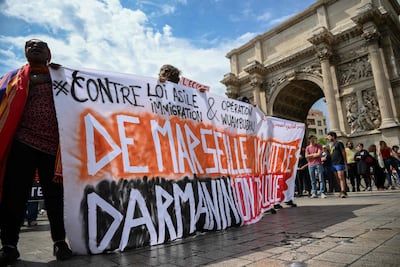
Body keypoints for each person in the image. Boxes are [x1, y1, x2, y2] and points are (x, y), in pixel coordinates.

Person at [0, 39, 72, 265]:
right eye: (29, 45)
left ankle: (60, 242)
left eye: (40, 45)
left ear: (49, 52)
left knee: (55, 197)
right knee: (15, 195)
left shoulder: (63, 77)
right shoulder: (12, 79)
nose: (34, 47)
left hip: (54, 148)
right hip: (24, 142)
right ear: (24, 54)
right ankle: (9, 246)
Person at [327, 131, 348, 198]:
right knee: (337, 178)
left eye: (329, 136)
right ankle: (342, 190)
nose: (328, 138)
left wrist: (345, 161)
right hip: (333, 163)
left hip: (339, 162)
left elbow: (343, 152)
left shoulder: (339, 143)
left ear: (333, 136)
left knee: (340, 176)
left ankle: (343, 191)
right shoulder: (331, 145)